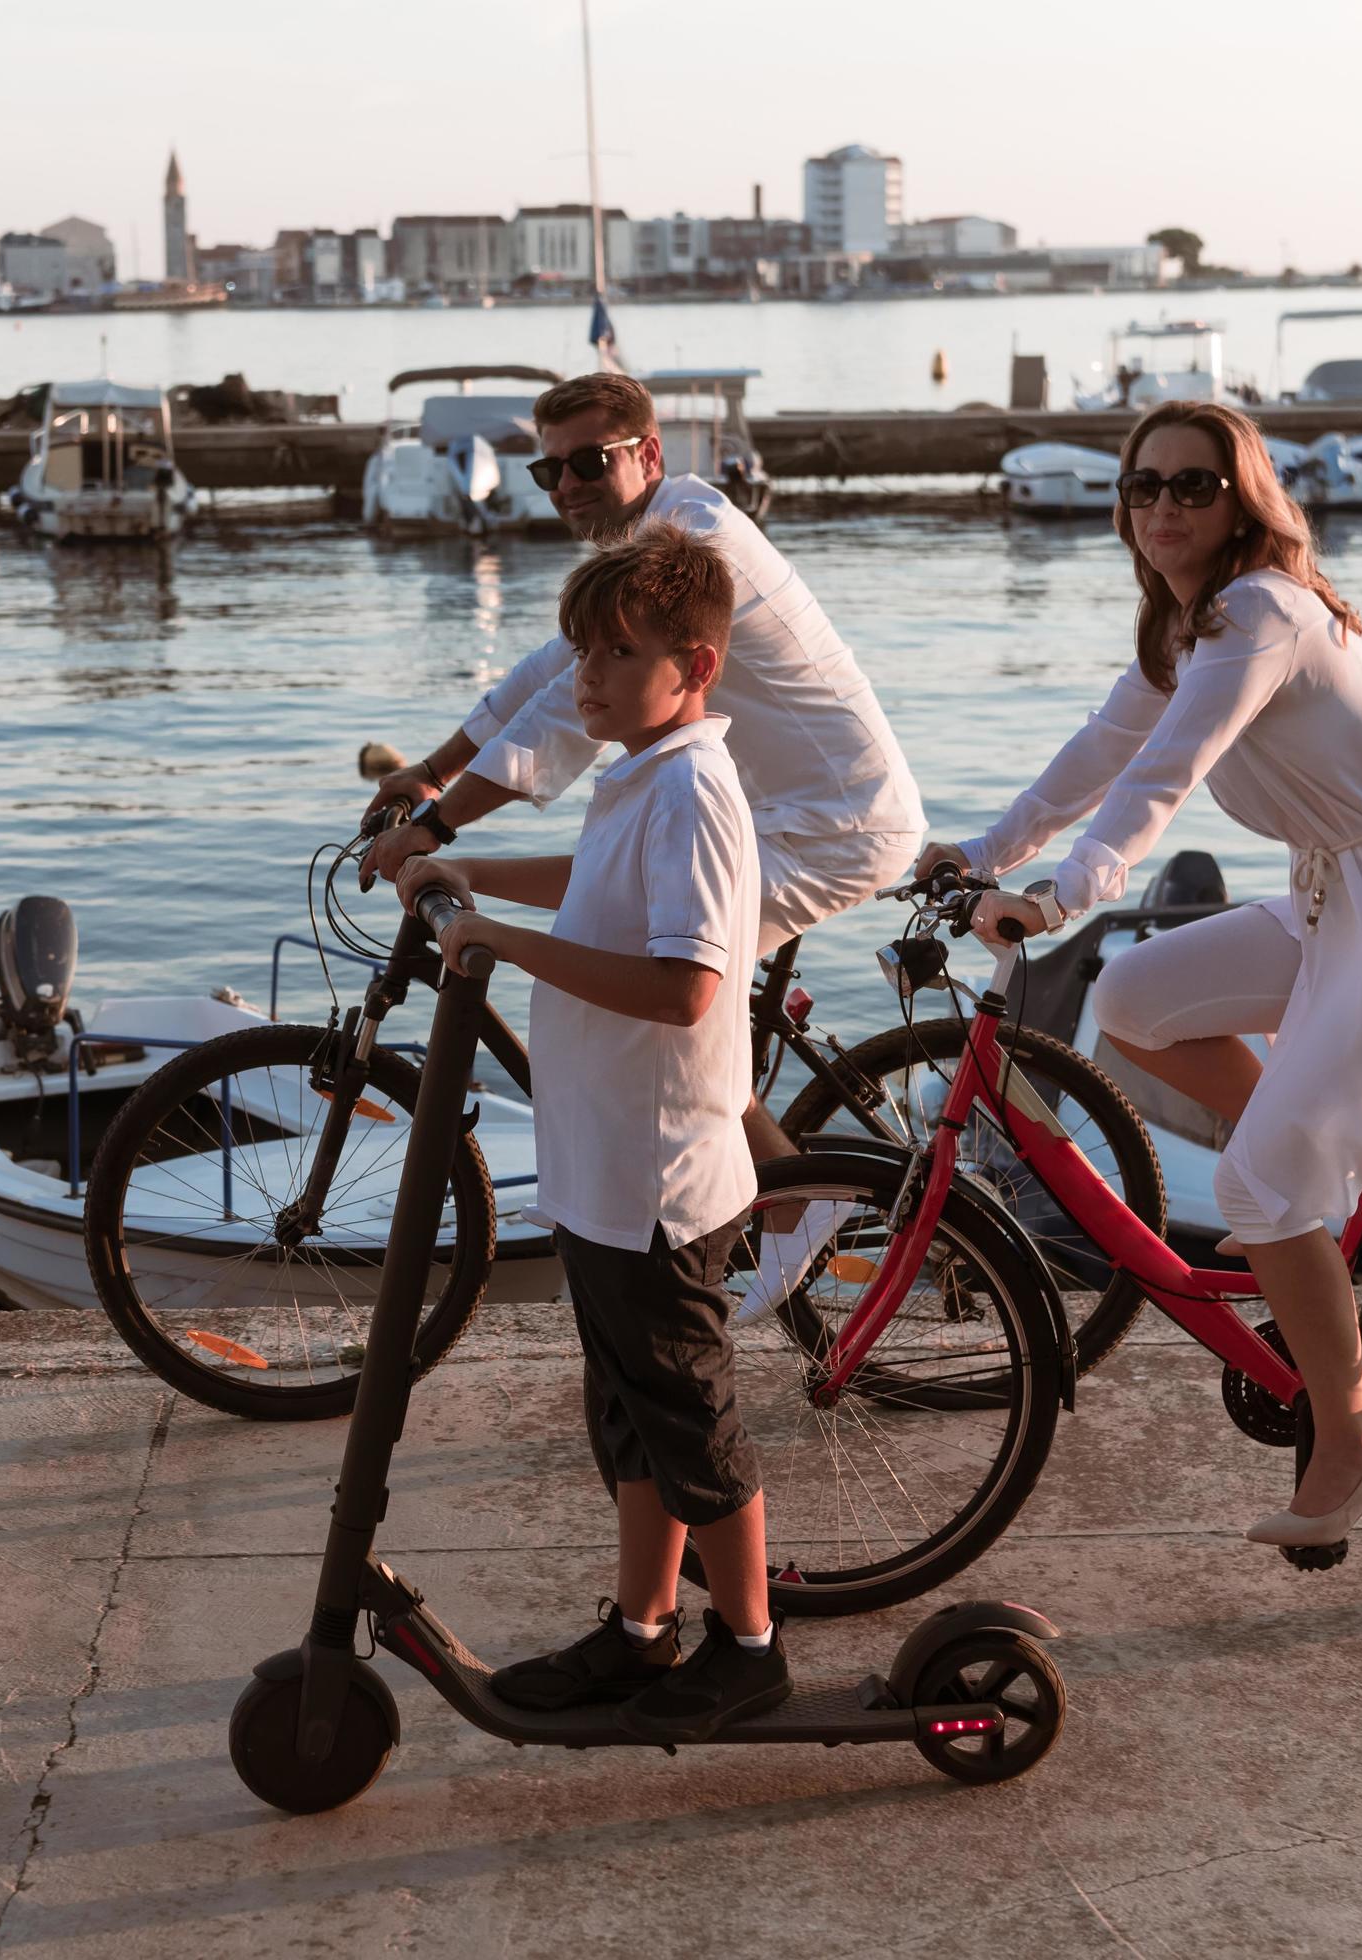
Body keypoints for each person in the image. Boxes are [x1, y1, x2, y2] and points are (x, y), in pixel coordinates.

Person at [918, 400, 1362, 1550]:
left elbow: (1164, 776)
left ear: (1241, 497)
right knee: (1134, 1000)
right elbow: (1100, 751)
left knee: (1254, 1187)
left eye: (1191, 486)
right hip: (1340, 901)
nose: (1161, 507)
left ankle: (1351, 1443)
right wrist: (983, 851)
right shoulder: (1189, 625)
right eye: (1143, 486)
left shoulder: (1258, 612)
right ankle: (1296, 1181)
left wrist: (1058, 895)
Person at [395, 522, 787, 1739]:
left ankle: (752, 1645)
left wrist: (497, 942)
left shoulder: (697, 792)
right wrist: (466, 871)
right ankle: (640, 1626)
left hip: (661, 1177)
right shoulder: (641, 775)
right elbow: (596, 880)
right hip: (605, 1167)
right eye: (582, 653)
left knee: (688, 1412)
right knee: (627, 1412)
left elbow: (685, 986)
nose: (590, 679)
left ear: (697, 666)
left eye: (620, 654)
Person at [363, 369, 924, 1174]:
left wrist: (440, 822)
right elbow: (549, 668)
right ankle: (769, 1194)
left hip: (834, 829)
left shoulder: (693, 550)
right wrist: (430, 772)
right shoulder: (650, 546)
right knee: (632, 957)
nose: (565, 485)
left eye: (588, 462)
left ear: (648, 453)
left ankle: (795, 1203)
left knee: (651, 995)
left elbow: (564, 707)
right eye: (547, 468)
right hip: (782, 815)